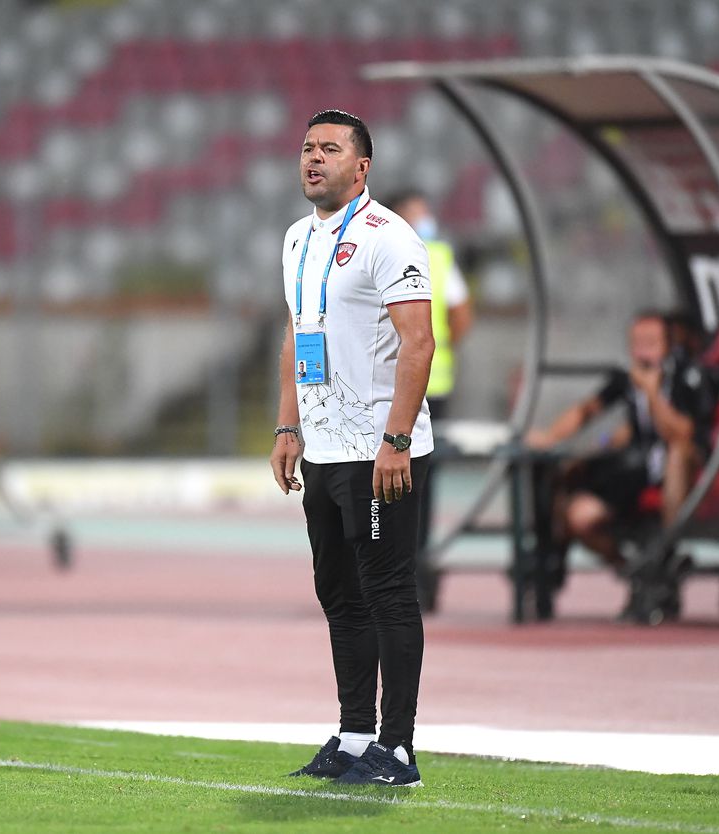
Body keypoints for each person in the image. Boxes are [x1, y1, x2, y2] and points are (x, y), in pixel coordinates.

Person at [271, 110, 435, 787]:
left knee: (387, 592)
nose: (313, 158)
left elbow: (419, 343)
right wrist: (288, 428)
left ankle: (398, 748)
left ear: (361, 168)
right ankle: (354, 734)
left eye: (330, 149)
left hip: (378, 449)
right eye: (308, 147)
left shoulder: (389, 237)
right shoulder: (296, 238)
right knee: (338, 593)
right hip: (323, 449)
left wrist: (396, 440)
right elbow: (297, 333)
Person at [526, 311, 710, 595]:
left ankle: (667, 546)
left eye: (651, 343)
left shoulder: (686, 376)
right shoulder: (627, 377)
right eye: (637, 343)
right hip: (636, 471)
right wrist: (550, 437)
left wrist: (652, 393)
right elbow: (587, 410)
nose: (643, 352)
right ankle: (629, 567)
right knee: (576, 512)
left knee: (678, 453)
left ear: (667, 345)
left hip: (677, 472)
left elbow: (680, 434)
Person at [388, 189, 473, 612]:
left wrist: (428, 352)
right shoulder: (427, 256)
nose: (426, 222)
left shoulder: (435, 256)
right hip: (414, 384)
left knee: (411, 477)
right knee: (412, 477)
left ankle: (409, 572)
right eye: (417, 214)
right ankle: (408, 573)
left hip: (421, 386)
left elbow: (461, 316)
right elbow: (461, 315)